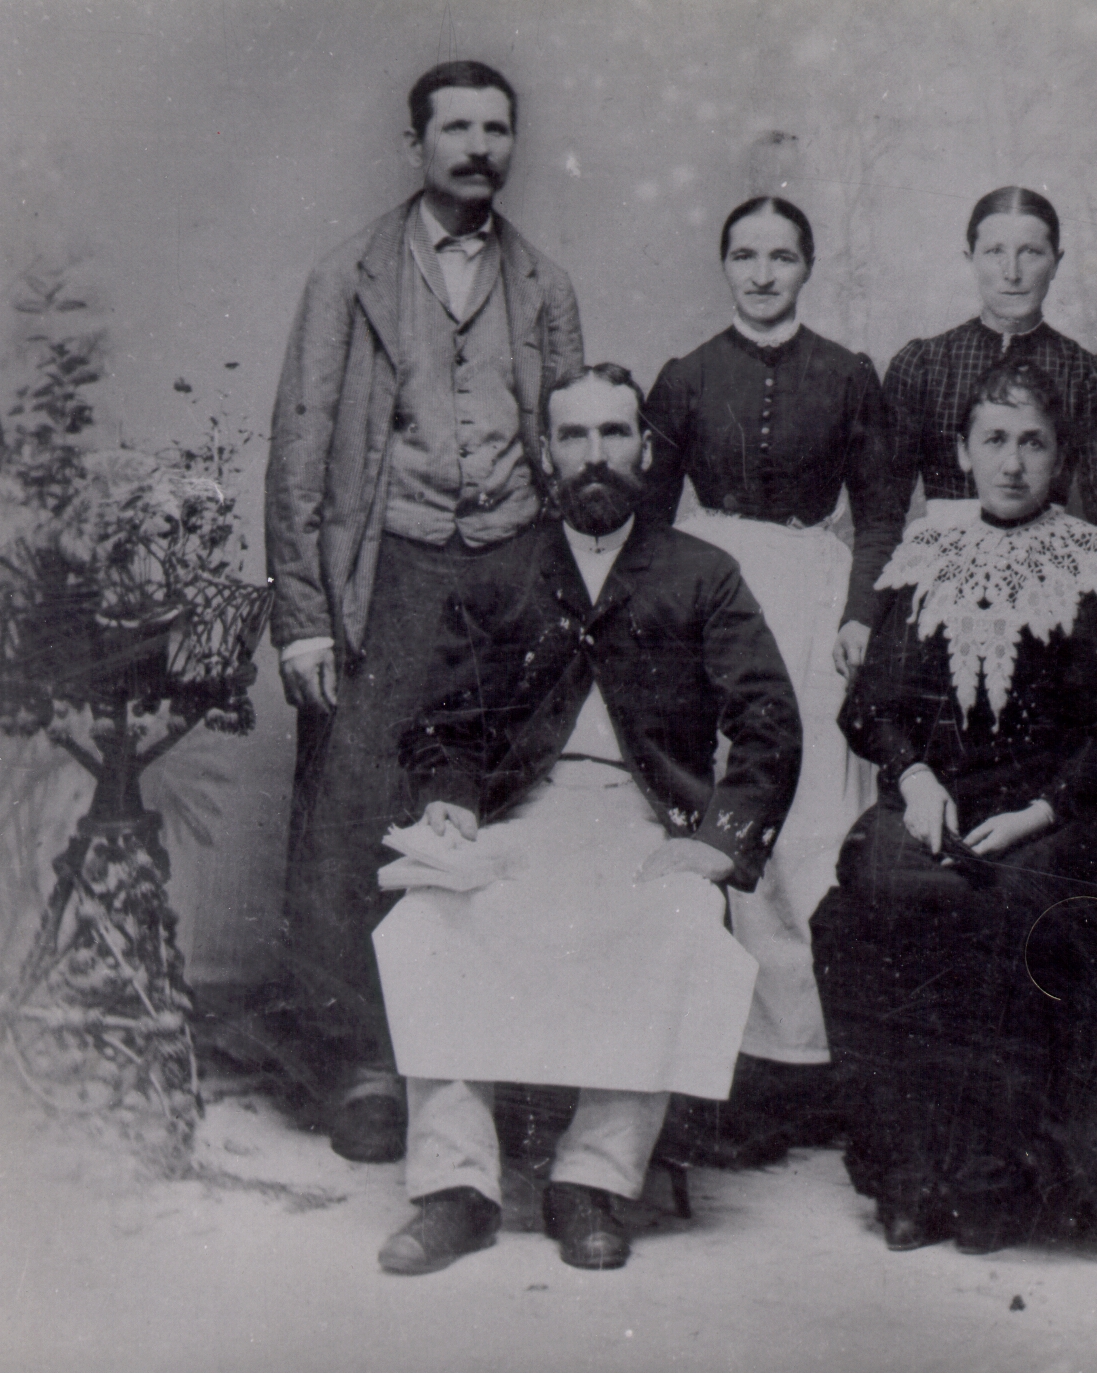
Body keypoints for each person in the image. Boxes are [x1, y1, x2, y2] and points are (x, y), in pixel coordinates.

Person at [376, 364, 802, 1274]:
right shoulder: (498, 574)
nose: (595, 455)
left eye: (614, 433)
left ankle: (593, 1181)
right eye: (574, 436)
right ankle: (456, 1188)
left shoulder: (701, 573)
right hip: (517, 814)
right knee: (428, 918)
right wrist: (449, 795)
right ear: (546, 451)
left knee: (679, 917)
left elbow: (769, 721)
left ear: (645, 447)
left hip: (645, 819)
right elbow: (439, 725)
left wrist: (717, 843)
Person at [810, 359, 1097, 1256]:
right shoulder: (924, 554)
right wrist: (915, 779)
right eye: (994, 440)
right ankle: (914, 1175)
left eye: (1033, 443)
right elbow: (874, 703)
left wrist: (1043, 810)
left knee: (1016, 904)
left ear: (1062, 456)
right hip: (943, 800)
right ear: (962, 452)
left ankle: (1010, 1183)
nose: (1012, 462)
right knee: (867, 895)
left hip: (1072, 811)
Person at [264, 60, 584, 1162]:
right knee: (354, 810)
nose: (479, 147)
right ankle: (360, 1062)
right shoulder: (347, 275)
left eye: (497, 128)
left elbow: (575, 447)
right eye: (457, 128)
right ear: (417, 145)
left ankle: (497, 1059)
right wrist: (304, 616)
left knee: (503, 802)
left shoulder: (544, 285)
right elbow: (299, 449)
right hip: (387, 567)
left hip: (512, 567)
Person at [639, 198, 906, 1159]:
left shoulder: (848, 375)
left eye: (781, 257)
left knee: (812, 818)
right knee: (719, 806)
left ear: (807, 267)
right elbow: (649, 520)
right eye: (745, 255)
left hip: (811, 599)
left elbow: (882, 513)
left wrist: (861, 614)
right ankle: (729, 1064)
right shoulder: (685, 377)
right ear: (724, 264)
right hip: (711, 595)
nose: (761, 274)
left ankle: (814, 1061)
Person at [883, 186, 1097, 536]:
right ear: (970, 259)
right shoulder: (923, 365)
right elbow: (882, 516)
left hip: (1049, 562)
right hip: (942, 560)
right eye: (995, 252)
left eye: (1031, 252)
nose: (1012, 273)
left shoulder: (1085, 374)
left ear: (1056, 262)